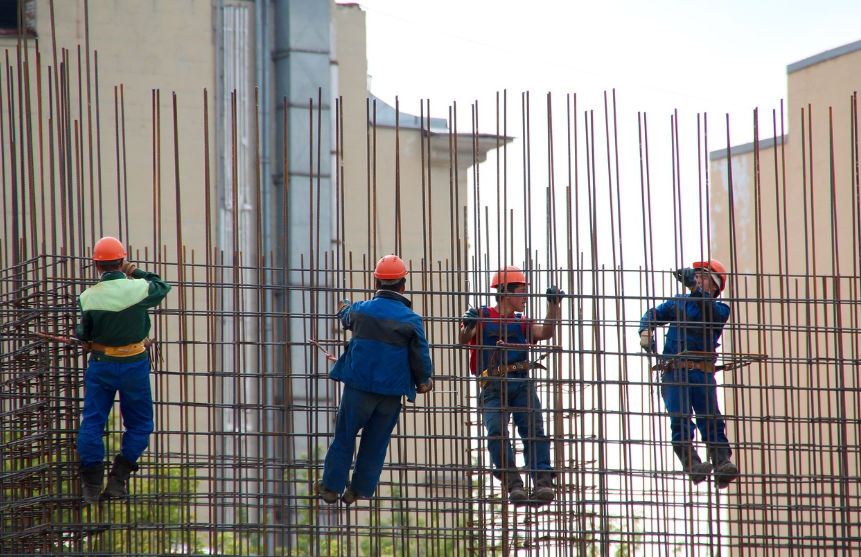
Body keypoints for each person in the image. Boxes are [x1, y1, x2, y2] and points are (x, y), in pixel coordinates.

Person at [316, 255, 434, 505]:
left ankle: (330, 487)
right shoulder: (412, 320)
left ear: (376, 283)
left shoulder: (360, 310)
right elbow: (420, 354)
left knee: (345, 436)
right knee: (376, 443)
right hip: (391, 394)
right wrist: (424, 380)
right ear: (403, 286)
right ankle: (358, 490)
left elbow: (346, 316)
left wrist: (343, 306)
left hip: (359, 389)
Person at [75, 236, 171, 504]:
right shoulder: (139, 289)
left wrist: (87, 338)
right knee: (140, 424)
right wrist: (133, 270)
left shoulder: (87, 297)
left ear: (96, 265)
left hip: (101, 364)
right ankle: (118, 479)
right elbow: (162, 285)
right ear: (122, 260)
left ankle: (92, 484)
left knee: (93, 423)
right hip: (133, 364)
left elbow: (84, 333)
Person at [459, 265, 562, 505]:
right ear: (506, 292)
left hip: (522, 384)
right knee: (496, 431)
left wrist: (553, 305)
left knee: (534, 430)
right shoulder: (481, 315)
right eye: (522, 292)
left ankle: (542, 482)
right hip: (493, 385)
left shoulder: (523, 322)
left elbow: (546, 332)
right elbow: (464, 338)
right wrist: (468, 323)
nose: (526, 298)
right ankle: (512, 481)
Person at [638, 259, 739, 489]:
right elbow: (654, 313)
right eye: (695, 275)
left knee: (711, 419)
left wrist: (694, 288)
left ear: (714, 285)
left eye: (702, 276)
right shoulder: (678, 303)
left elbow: (708, 309)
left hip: (702, 373)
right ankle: (692, 465)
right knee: (680, 420)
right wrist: (646, 329)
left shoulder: (720, 309)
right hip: (675, 373)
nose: (696, 279)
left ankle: (722, 464)